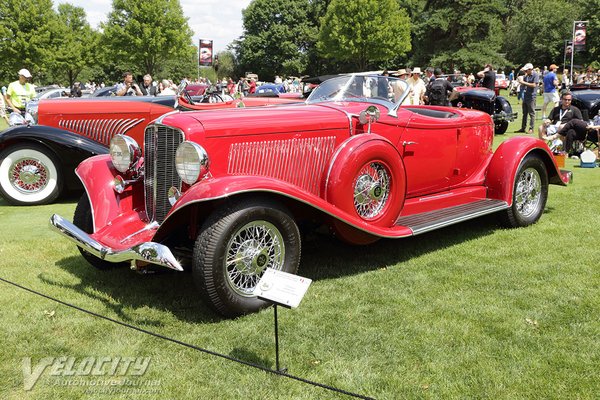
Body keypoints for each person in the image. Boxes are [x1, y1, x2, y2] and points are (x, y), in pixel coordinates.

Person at [515, 63, 539, 134]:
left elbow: (534, 85)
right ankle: (523, 128)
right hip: (525, 96)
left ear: (530, 69)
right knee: (524, 113)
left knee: (532, 113)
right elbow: (524, 84)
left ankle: (531, 128)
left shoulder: (535, 75)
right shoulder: (526, 75)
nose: (525, 72)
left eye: (526, 70)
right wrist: (520, 81)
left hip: (531, 97)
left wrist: (523, 82)